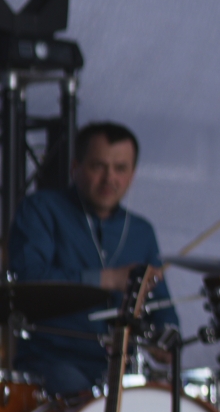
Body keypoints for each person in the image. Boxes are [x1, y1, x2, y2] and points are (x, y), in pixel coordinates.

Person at [9, 121, 177, 394]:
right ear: (75, 167)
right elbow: (27, 281)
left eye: (120, 168)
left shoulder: (141, 231)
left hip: (120, 367)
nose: (109, 178)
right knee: (83, 400)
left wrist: (166, 338)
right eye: (98, 166)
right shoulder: (41, 209)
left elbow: (163, 306)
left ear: (132, 174)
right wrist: (108, 279)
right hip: (52, 362)